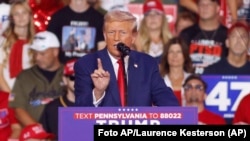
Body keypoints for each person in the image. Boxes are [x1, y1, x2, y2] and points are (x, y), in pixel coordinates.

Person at [74, 10, 179, 107]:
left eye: (122, 32)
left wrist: (179, 115)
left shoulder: (147, 64)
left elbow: (165, 97)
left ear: (133, 37)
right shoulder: (86, 64)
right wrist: (98, 92)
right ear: (105, 36)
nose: (116, 38)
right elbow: (79, 110)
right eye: (111, 32)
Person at [9, 31, 65, 127]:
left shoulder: (71, 75)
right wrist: (38, 131)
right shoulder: (24, 76)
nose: (37, 57)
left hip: (67, 131)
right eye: (35, 53)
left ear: (55, 52)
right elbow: (18, 109)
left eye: (42, 53)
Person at [179, 0, 228, 74]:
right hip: (191, 81)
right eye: (201, 4)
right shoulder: (186, 34)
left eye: (209, 4)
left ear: (218, 8)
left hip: (219, 80)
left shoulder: (227, 35)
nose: (205, 7)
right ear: (198, 8)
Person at [0, 0, 35, 92]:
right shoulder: (4, 42)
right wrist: (11, 96)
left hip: (30, 94)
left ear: (30, 16)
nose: (21, 17)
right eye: (16, 14)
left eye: (24, 12)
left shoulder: (35, 43)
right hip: (8, 94)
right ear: (12, 18)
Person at [40, 59, 76, 140]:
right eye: (73, 77)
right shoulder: (52, 109)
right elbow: (43, 137)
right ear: (64, 80)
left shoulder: (98, 106)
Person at [159, 37, 194, 106]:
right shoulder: (158, 81)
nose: (175, 55)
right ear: (166, 56)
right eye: (171, 52)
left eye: (179, 52)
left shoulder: (192, 80)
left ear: (185, 56)